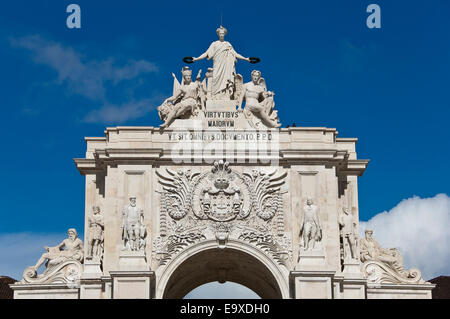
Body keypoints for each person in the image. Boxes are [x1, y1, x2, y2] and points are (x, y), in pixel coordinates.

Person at [193, 26, 250, 99]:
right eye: (220, 33)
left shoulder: (227, 44)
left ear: (225, 34)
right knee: (215, 79)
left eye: (223, 33)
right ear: (218, 34)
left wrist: (245, 59)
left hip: (226, 66)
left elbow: (235, 54)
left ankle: (225, 96)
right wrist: (197, 58)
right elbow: (206, 53)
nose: (221, 35)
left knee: (226, 80)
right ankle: (215, 96)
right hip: (217, 64)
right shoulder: (214, 44)